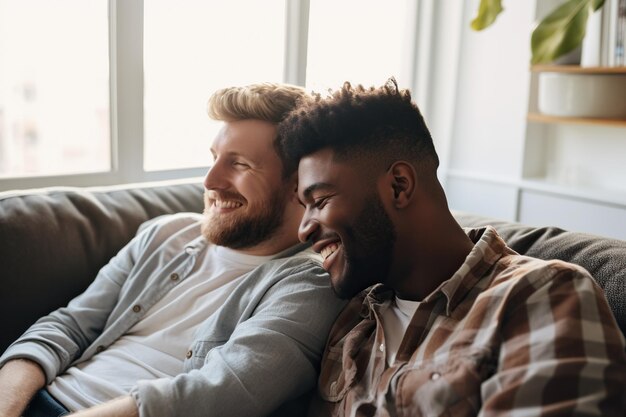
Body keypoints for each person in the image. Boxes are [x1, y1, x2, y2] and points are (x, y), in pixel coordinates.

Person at [277, 79, 626, 416]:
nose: (304, 229)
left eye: (319, 200)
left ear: (399, 186)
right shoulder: (353, 320)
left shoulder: (541, 294)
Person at [0, 82, 346, 417]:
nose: (210, 181)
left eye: (239, 164)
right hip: (31, 396)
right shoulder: (165, 234)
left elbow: (223, 392)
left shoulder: (310, 283)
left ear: (301, 184)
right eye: (214, 158)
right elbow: (70, 325)